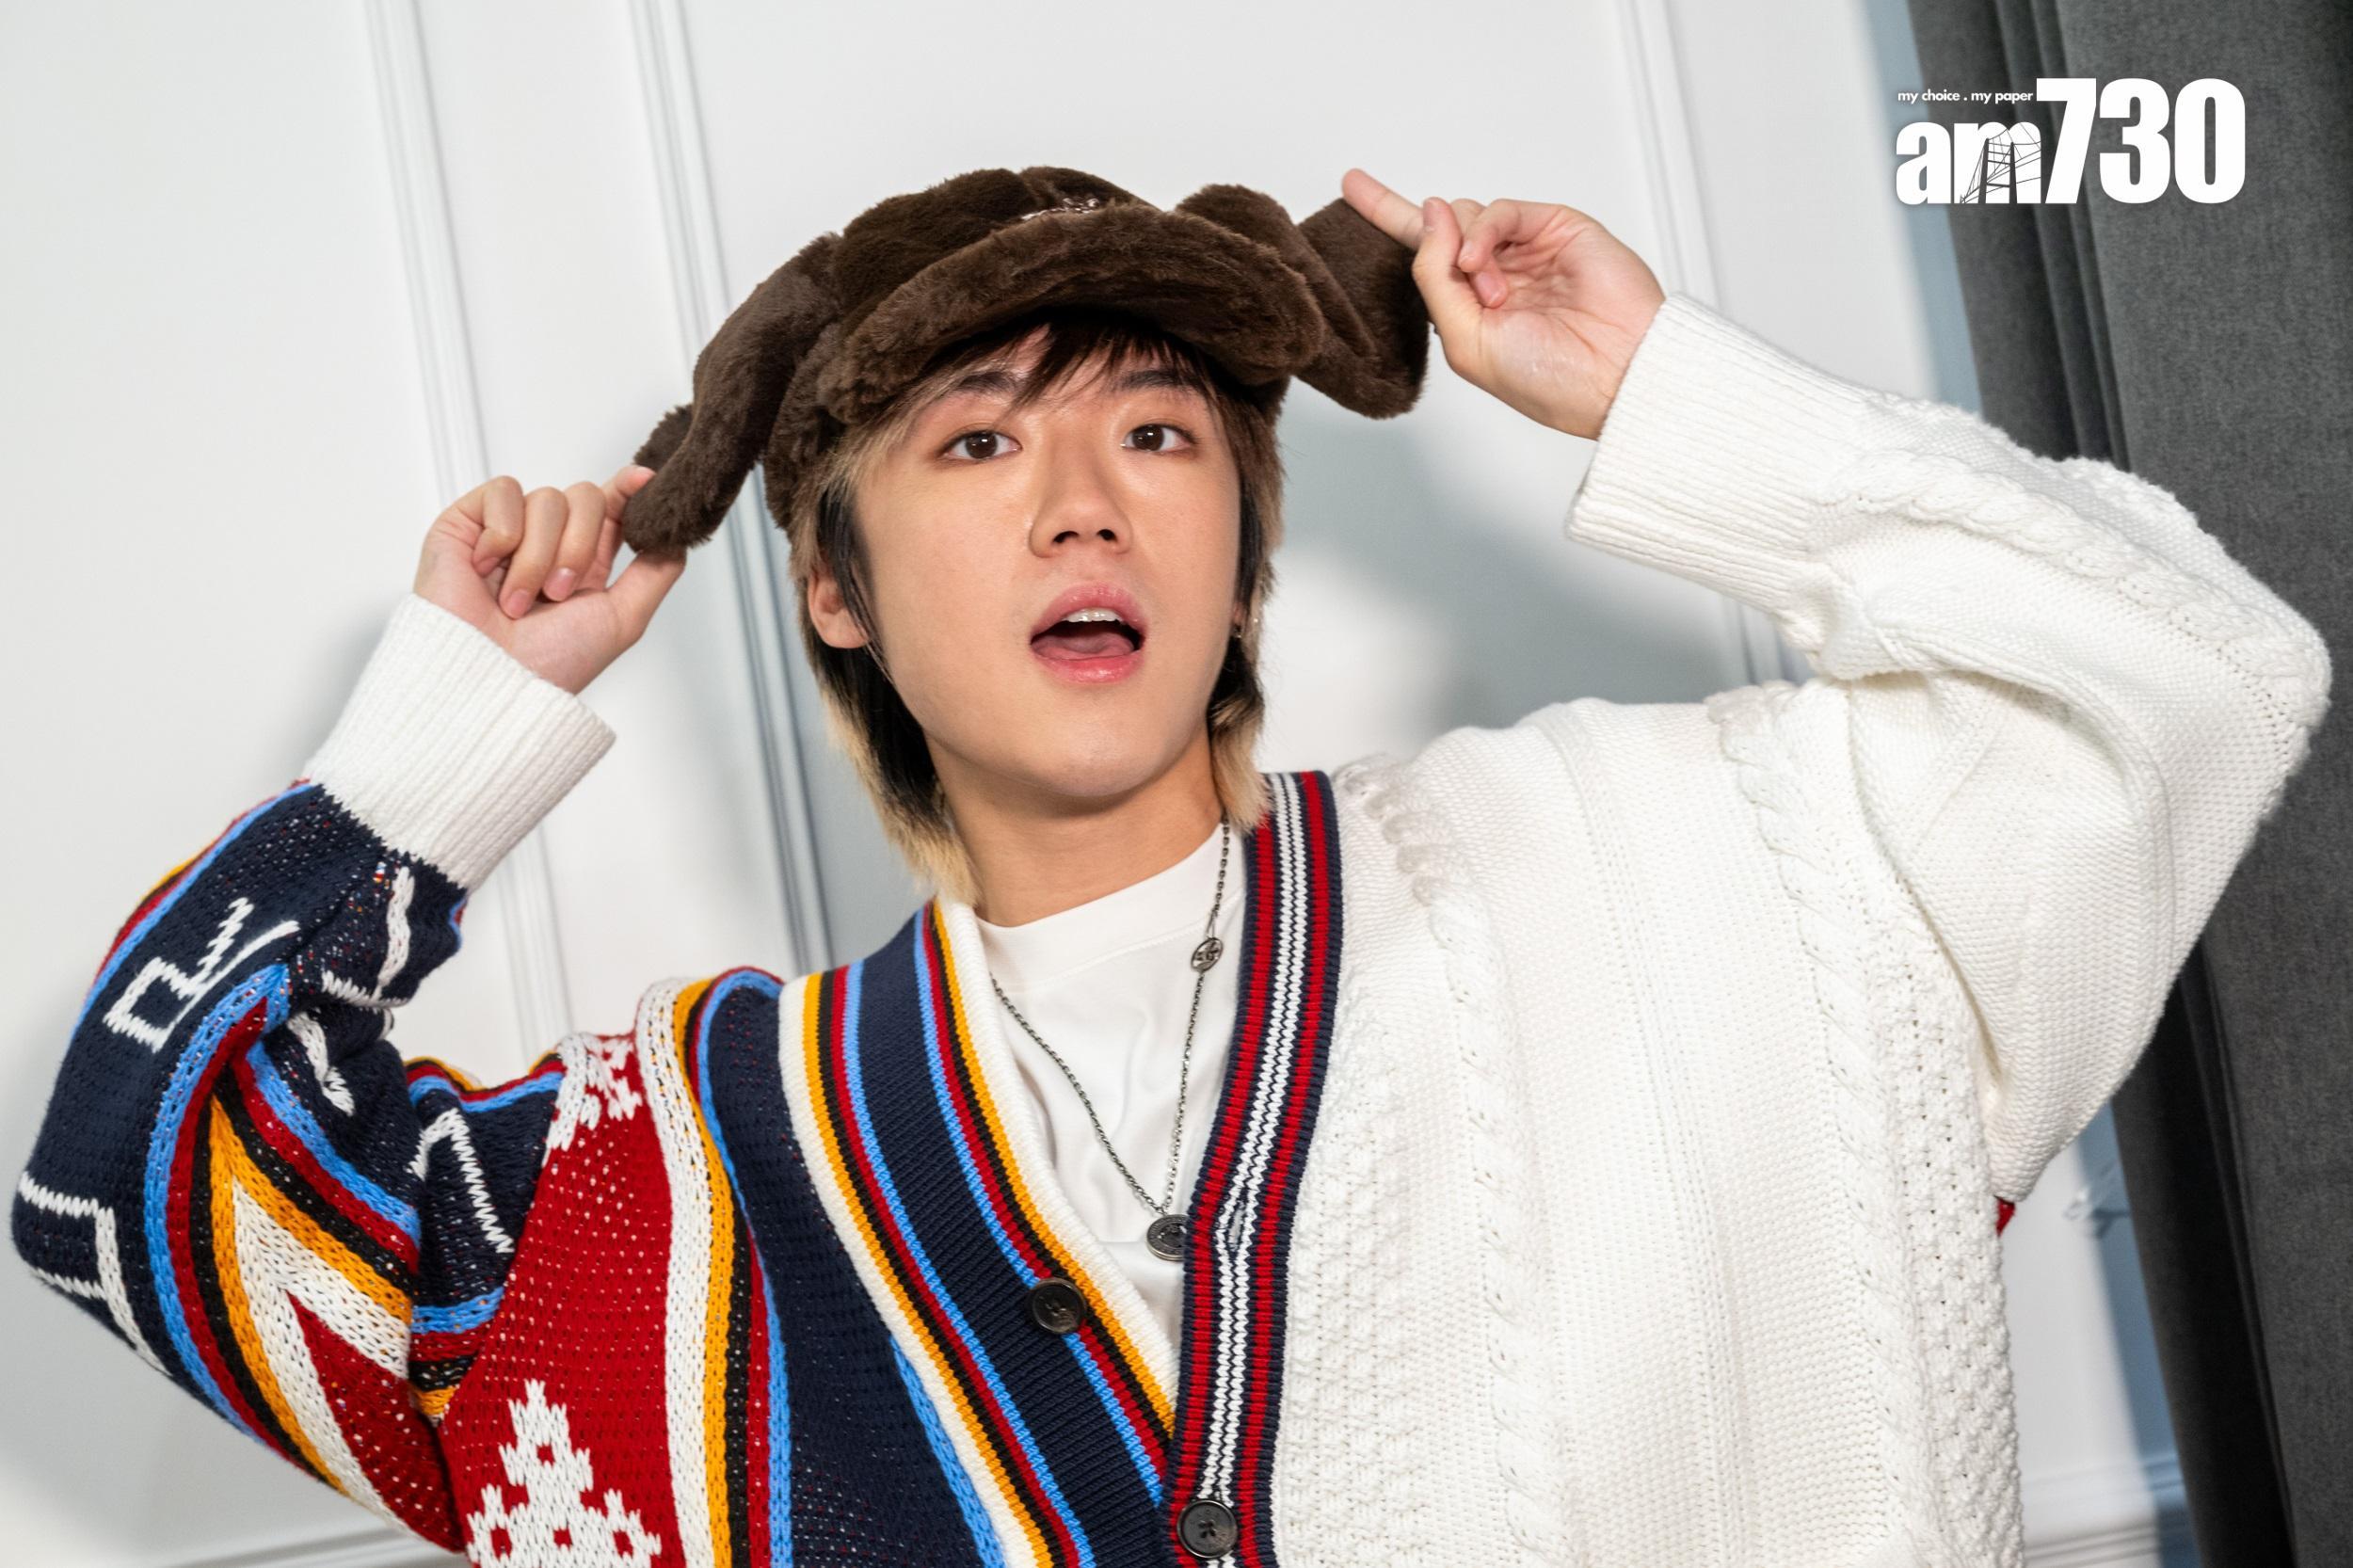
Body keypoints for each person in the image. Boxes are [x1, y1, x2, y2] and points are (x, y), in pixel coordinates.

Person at [11, 164, 2330, 1568]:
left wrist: (1664, 389)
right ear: (831, 587)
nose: (1080, 501)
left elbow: (2188, 678)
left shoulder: (1700, 878)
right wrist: (447, 734)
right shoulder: (690, 1181)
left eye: (1154, 426)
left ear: (1236, 542)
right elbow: (131, 1173)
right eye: (974, 440)